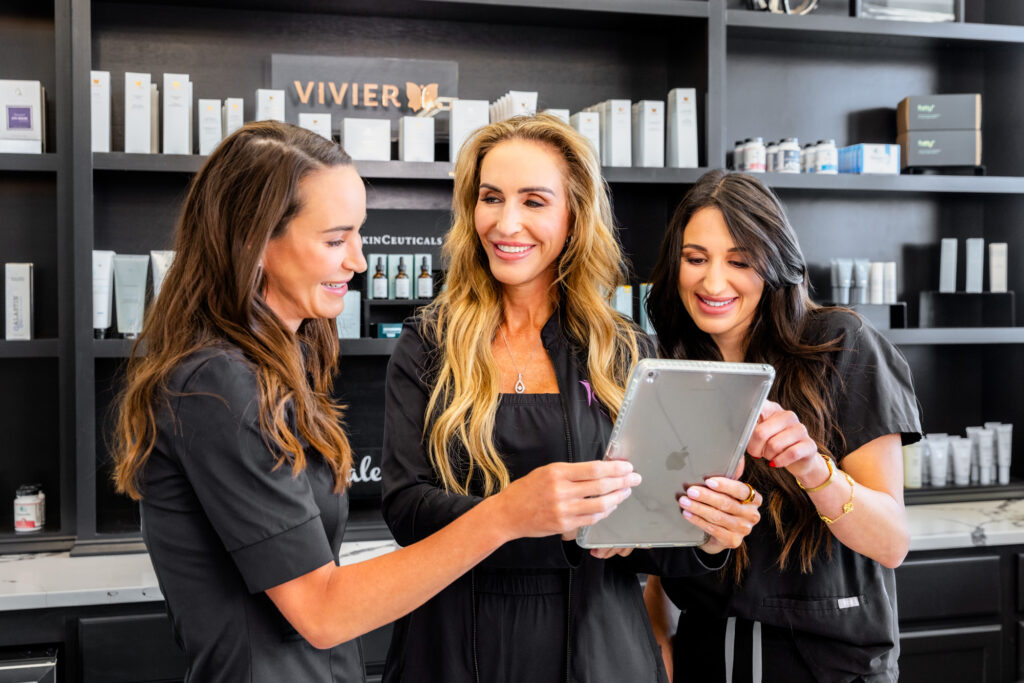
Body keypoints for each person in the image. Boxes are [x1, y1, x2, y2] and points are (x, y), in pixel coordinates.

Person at [110, 121, 649, 682]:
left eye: (357, 234)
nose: (359, 261)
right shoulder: (218, 386)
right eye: (335, 239)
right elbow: (323, 611)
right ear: (253, 240)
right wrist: (508, 514)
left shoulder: (271, 369)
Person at [379, 114, 762, 683]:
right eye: (491, 198)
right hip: (451, 647)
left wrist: (707, 533)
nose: (506, 222)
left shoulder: (625, 349)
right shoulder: (428, 343)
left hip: (599, 651)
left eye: (534, 201)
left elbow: (653, 534)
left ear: (575, 216)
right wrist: (521, 515)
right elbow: (406, 509)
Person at [642, 170, 922, 682]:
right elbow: (676, 527)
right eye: (696, 258)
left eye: (740, 261)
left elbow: (891, 542)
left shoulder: (841, 345)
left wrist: (813, 469)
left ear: (774, 263)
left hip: (828, 665)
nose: (713, 283)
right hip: (705, 658)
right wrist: (657, 632)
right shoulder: (668, 368)